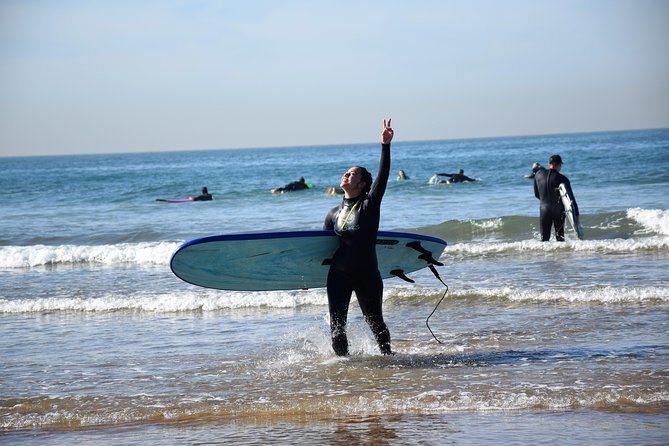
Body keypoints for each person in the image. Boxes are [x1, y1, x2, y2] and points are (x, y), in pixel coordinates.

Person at [322, 118, 394, 356]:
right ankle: (344, 369)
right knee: (337, 328)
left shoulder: (369, 205)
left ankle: (388, 358)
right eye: (346, 172)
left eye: (352, 174)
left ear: (363, 184)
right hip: (338, 275)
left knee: (376, 325)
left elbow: (383, 176)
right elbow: (320, 248)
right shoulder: (333, 214)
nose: (346, 174)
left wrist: (385, 145)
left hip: (367, 275)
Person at [533, 154, 579, 241]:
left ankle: (544, 254)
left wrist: (545, 200)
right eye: (560, 165)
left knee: (544, 239)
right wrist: (577, 219)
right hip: (558, 210)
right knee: (560, 238)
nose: (560, 167)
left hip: (544, 209)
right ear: (555, 164)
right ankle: (561, 254)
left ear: (549, 163)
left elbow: (536, 194)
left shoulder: (538, 175)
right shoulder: (563, 178)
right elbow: (571, 200)